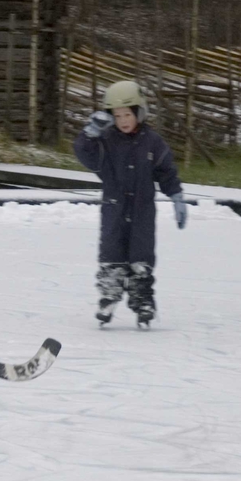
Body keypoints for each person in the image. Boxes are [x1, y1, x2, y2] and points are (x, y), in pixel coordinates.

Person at [73, 80, 185, 328]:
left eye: (127, 114)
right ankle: (108, 298)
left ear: (139, 113)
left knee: (141, 258)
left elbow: (166, 171)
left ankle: (143, 302)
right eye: (117, 115)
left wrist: (176, 195)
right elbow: (83, 152)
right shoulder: (105, 141)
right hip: (114, 208)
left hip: (142, 211)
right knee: (112, 253)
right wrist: (89, 133)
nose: (123, 120)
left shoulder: (152, 142)